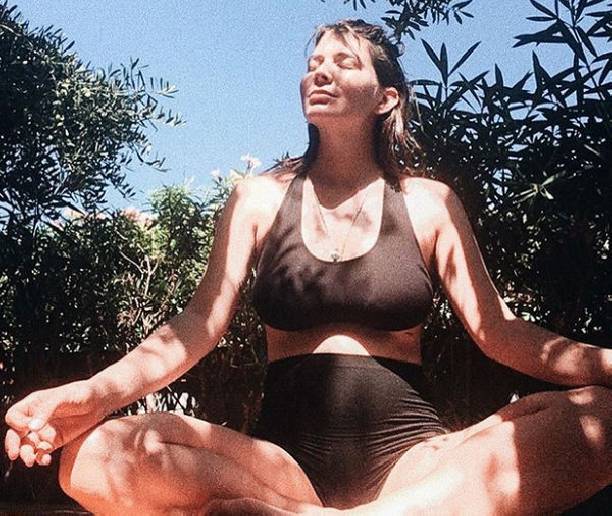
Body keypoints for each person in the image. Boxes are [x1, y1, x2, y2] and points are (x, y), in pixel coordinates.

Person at [4, 18, 611, 515]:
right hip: (279, 467)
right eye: (314, 62)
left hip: (414, 463)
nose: (321, 71)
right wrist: (90, 396)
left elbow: (500, 331)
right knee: (93, 459)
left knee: (602, 421)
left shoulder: (428, 203)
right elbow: (194, 328)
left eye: (345, 62)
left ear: (386, 98)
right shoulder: (258, 200)